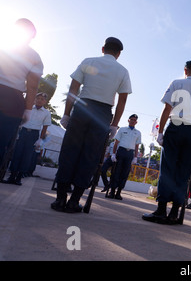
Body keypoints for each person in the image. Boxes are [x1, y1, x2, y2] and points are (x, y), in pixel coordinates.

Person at [51, 37, 132, 213]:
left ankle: (60, 199)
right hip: (102, 113)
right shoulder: (122, 71)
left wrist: (66, 114)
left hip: (82, 108)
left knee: (69, 152)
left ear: (103, 48)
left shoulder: (88, 61)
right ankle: (74, 201)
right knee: (90, 156)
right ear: (118, 54)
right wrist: (114, 124)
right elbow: (122, 100)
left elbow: (73, 89)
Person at [142, 60, 191, 225]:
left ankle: (161, 210)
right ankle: (174, 213)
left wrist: (160, 132)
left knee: (168, 169)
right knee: (183, 172)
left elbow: (167, 109)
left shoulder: (176, 83)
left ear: (185, 70)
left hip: (175, 129)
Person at [0, 19, 43, 173]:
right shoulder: (34, 57)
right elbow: (32, 86)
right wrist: (28, 110)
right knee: (2, 142)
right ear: (32, 36)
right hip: (13, 100)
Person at [3, 92, 51, 185]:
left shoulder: (46, 113)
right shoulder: (28, 108)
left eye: (42, 99)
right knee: (17, 153)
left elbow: (45, 127)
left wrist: (40, 140)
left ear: (45, 101)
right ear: (35, 99)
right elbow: (21, 120)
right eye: (38, 98)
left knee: (27, 156)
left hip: (33, 134)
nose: (39, 100)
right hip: (23, 131)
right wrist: (17, 132)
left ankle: (19, 178)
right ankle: (12, 176)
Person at [107, 114, 141, 200]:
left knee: (125, 173)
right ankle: (112, 191)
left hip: (130, 154)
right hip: (121, 152)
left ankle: (118, 192)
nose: (133, 121)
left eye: (134, 120)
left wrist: (135, 157)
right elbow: (116, 142)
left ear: (136, 122)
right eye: (131, 119)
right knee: (116, 172)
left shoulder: (138, 133)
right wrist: (113, 154)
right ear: (128, 120)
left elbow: (137, 146)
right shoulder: (122, 129)